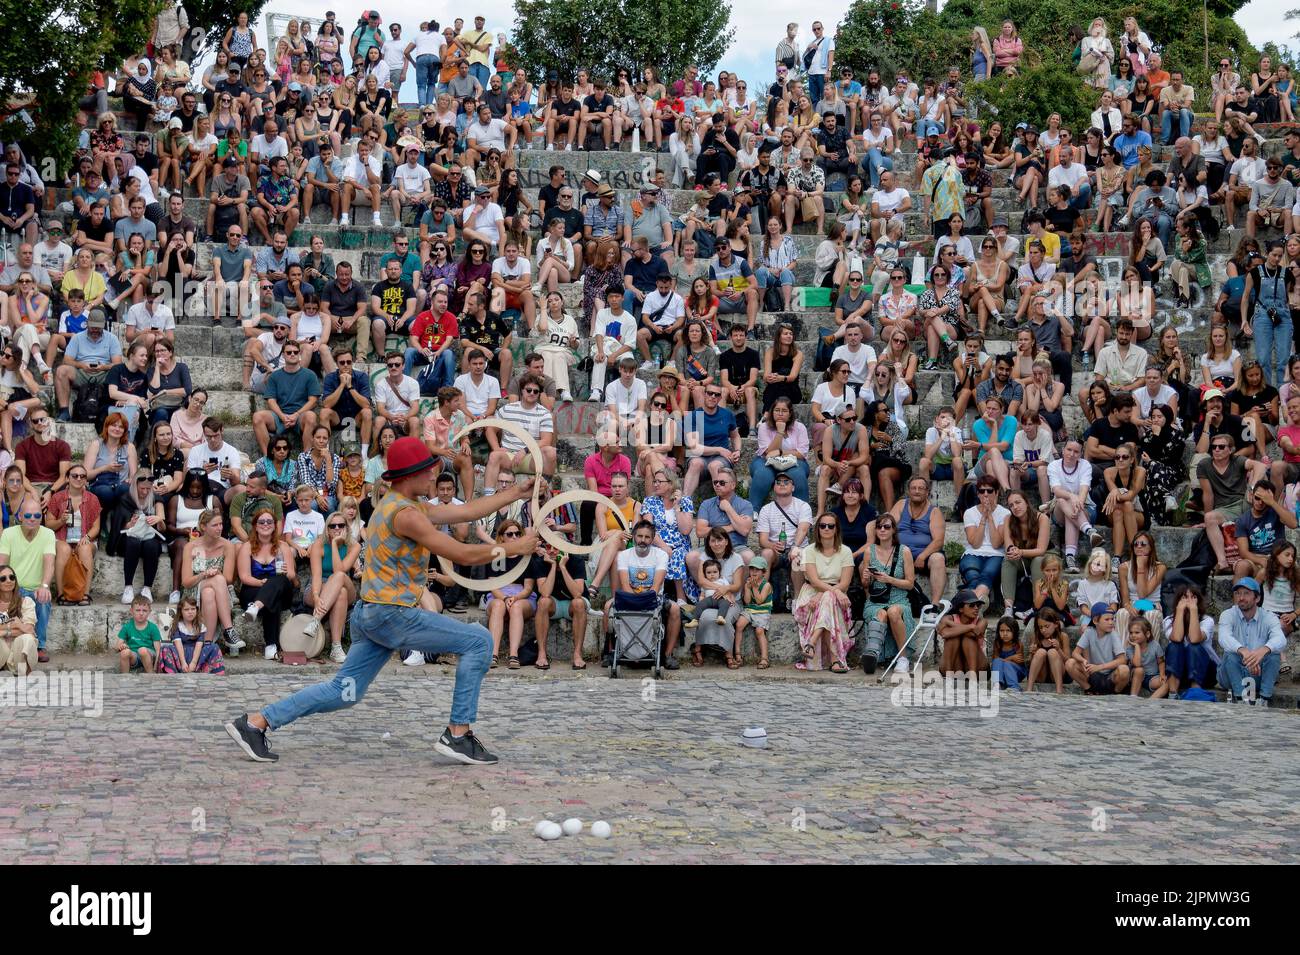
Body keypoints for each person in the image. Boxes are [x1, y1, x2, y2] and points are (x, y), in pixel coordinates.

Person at [793, 512, 854, 673]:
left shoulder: (845, 551)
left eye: (830, 526)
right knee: (828, 597)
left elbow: (845, 583)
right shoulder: (809, 550)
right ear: (818, 529)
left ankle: (811, 643)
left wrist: (827, 593)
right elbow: (814, 581)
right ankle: (835, 660)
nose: (826, 529)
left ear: (836, 529)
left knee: (828, 597)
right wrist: (826, 592)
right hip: (811, 594)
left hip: (836, 595)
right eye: (822, 526)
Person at [0, 495, 54, 662]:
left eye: (37, 516)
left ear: (42, 516)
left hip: (36, 588)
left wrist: (45, 585)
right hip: (14, 587)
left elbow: (49, 563)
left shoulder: (48, 534)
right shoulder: (9, 534)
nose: (33, 519)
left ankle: (40, 646)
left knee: (44, 598)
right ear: (20, 516)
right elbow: (2, 565)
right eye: (28, 515)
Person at [1217, 577, 1286, 706]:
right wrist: (1243, 651)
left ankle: (1264, 699)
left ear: (1257, 598)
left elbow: (1281, 639)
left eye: (1246, 593)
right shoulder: (1227, 614)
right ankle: (1242, 699)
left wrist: (1263, 651)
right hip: (1230, 674)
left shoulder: (1269, 617)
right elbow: (1223, 637)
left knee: (1274, 654)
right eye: (1238, 593)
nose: (1241, 597)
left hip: (1257, 674)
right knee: (1231, 654)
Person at [45, 466, 100, 606]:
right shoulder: (57, 497)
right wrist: (61, 521)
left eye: (82, 476)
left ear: (86, 480)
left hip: (84, 537)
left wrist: (87, 537)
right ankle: (61, 594)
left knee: (85, 549)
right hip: (62, 538)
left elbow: (96, 527)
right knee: (63, 549)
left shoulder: (92, 499)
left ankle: (85, 594)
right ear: (67, 478)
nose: (78, 478)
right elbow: (48, 525)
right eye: (74, 475)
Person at [1066, 603, 1131, 694]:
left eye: (1112, 619)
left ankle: (1116, 692)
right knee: (1070, 663)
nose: (1111, 622)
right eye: (1107, 619)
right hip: (1093, 674)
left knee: (1124, 670)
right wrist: (1083, 660)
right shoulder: (1089, 632)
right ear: (1096, 621)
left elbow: (1122, 660)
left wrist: (1099, 667)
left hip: (1110, 675)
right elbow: (1075, 653)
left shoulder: (1113, 634)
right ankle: (1088, 689)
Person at [937, 589, 988, 676]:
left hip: (976, 667)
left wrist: (951, 626)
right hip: (955, 667)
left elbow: (975, 633)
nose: (976, 608)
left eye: (978, 605)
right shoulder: (949, 618)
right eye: (972, 605)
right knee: (953, 638)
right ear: (960, 609)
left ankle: (973, 678)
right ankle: (949, 678)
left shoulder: (982, 621)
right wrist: (970, 627)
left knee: (968, 639)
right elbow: (945, 634)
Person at [1025, 608, 1070, 693]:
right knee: (1041, 652)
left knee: (1052, 652)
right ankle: (1029, 689)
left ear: (1056, 624)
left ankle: (1059, 690)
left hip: (1057, 674)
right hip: (1041, 675)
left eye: (1047, 626)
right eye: (1040, 627)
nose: (1043, 630)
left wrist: (1058, 649)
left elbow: (1068, 662)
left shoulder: (1063, 637)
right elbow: (1030, 663)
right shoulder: (1035, 637)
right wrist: (1032, 653)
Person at [114, 594, 160, 674]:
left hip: (149, 656)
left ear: (149, 612)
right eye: (138, 610)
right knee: (125, 652)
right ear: (131, 611)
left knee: (142, 650)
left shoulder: (153, 627)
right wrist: (121, 646)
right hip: (134, 657)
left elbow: (158, 650)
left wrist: (156, 666)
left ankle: (151, 675)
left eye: (144, 610)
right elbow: (116, 648)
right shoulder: (127, 627)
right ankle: (124, 678)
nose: (141, 613)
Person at [989, 617, 1025, 691]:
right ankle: (996, 684)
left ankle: (1014, 687)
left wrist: (1007, 661)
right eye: (1002, 631)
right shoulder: (998, 644)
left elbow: (1019, 662)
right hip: (1001, 673)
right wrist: (1010, 658)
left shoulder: (1017, 645)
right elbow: (995, 661)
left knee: (1007, 664)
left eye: (1008, 630)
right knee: (997, 661)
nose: (1005, 634)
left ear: (1014, 632)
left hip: (1016, 673)